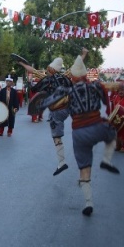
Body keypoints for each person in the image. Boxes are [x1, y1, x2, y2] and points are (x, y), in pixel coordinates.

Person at [40, 56, 119, 216]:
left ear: (73, 77)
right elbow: (105, 100)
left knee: (84, 168)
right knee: (112, 135)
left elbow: (46, 102)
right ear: (85, 75)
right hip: (97, 127)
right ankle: (106, 160)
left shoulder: (66, 90)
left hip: (79, 133)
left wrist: (39, 107)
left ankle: (88, 202)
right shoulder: (96, 86)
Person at [16, 48, 89, 176]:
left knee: (56, 137)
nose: (47, 70)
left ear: (51, 69)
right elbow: (75, 65)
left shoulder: (47, 77)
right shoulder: (65, 75)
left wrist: (22, 64)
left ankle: (62, 162)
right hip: (67, 108)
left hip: (56, 111)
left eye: (48, 68)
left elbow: (32, 71)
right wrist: (83, 54)